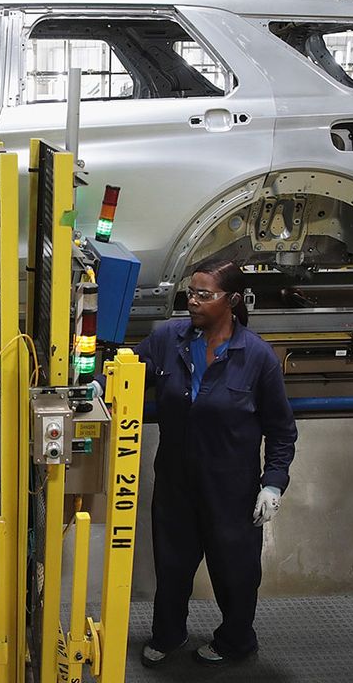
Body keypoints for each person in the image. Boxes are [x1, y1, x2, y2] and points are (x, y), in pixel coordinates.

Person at [135, 259, 297, 666]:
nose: (193, 301)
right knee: (172, 569)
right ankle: (168, 635)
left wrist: (272, 483)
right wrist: (93, 380)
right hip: (175, 483)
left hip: (232, 490)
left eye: (204, 295)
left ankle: (236, 641)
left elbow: (281, 430)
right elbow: (129, 373)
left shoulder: (256, 357)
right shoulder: (167, 339)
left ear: (233, 300)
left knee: (236, 574)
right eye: (191, 293)